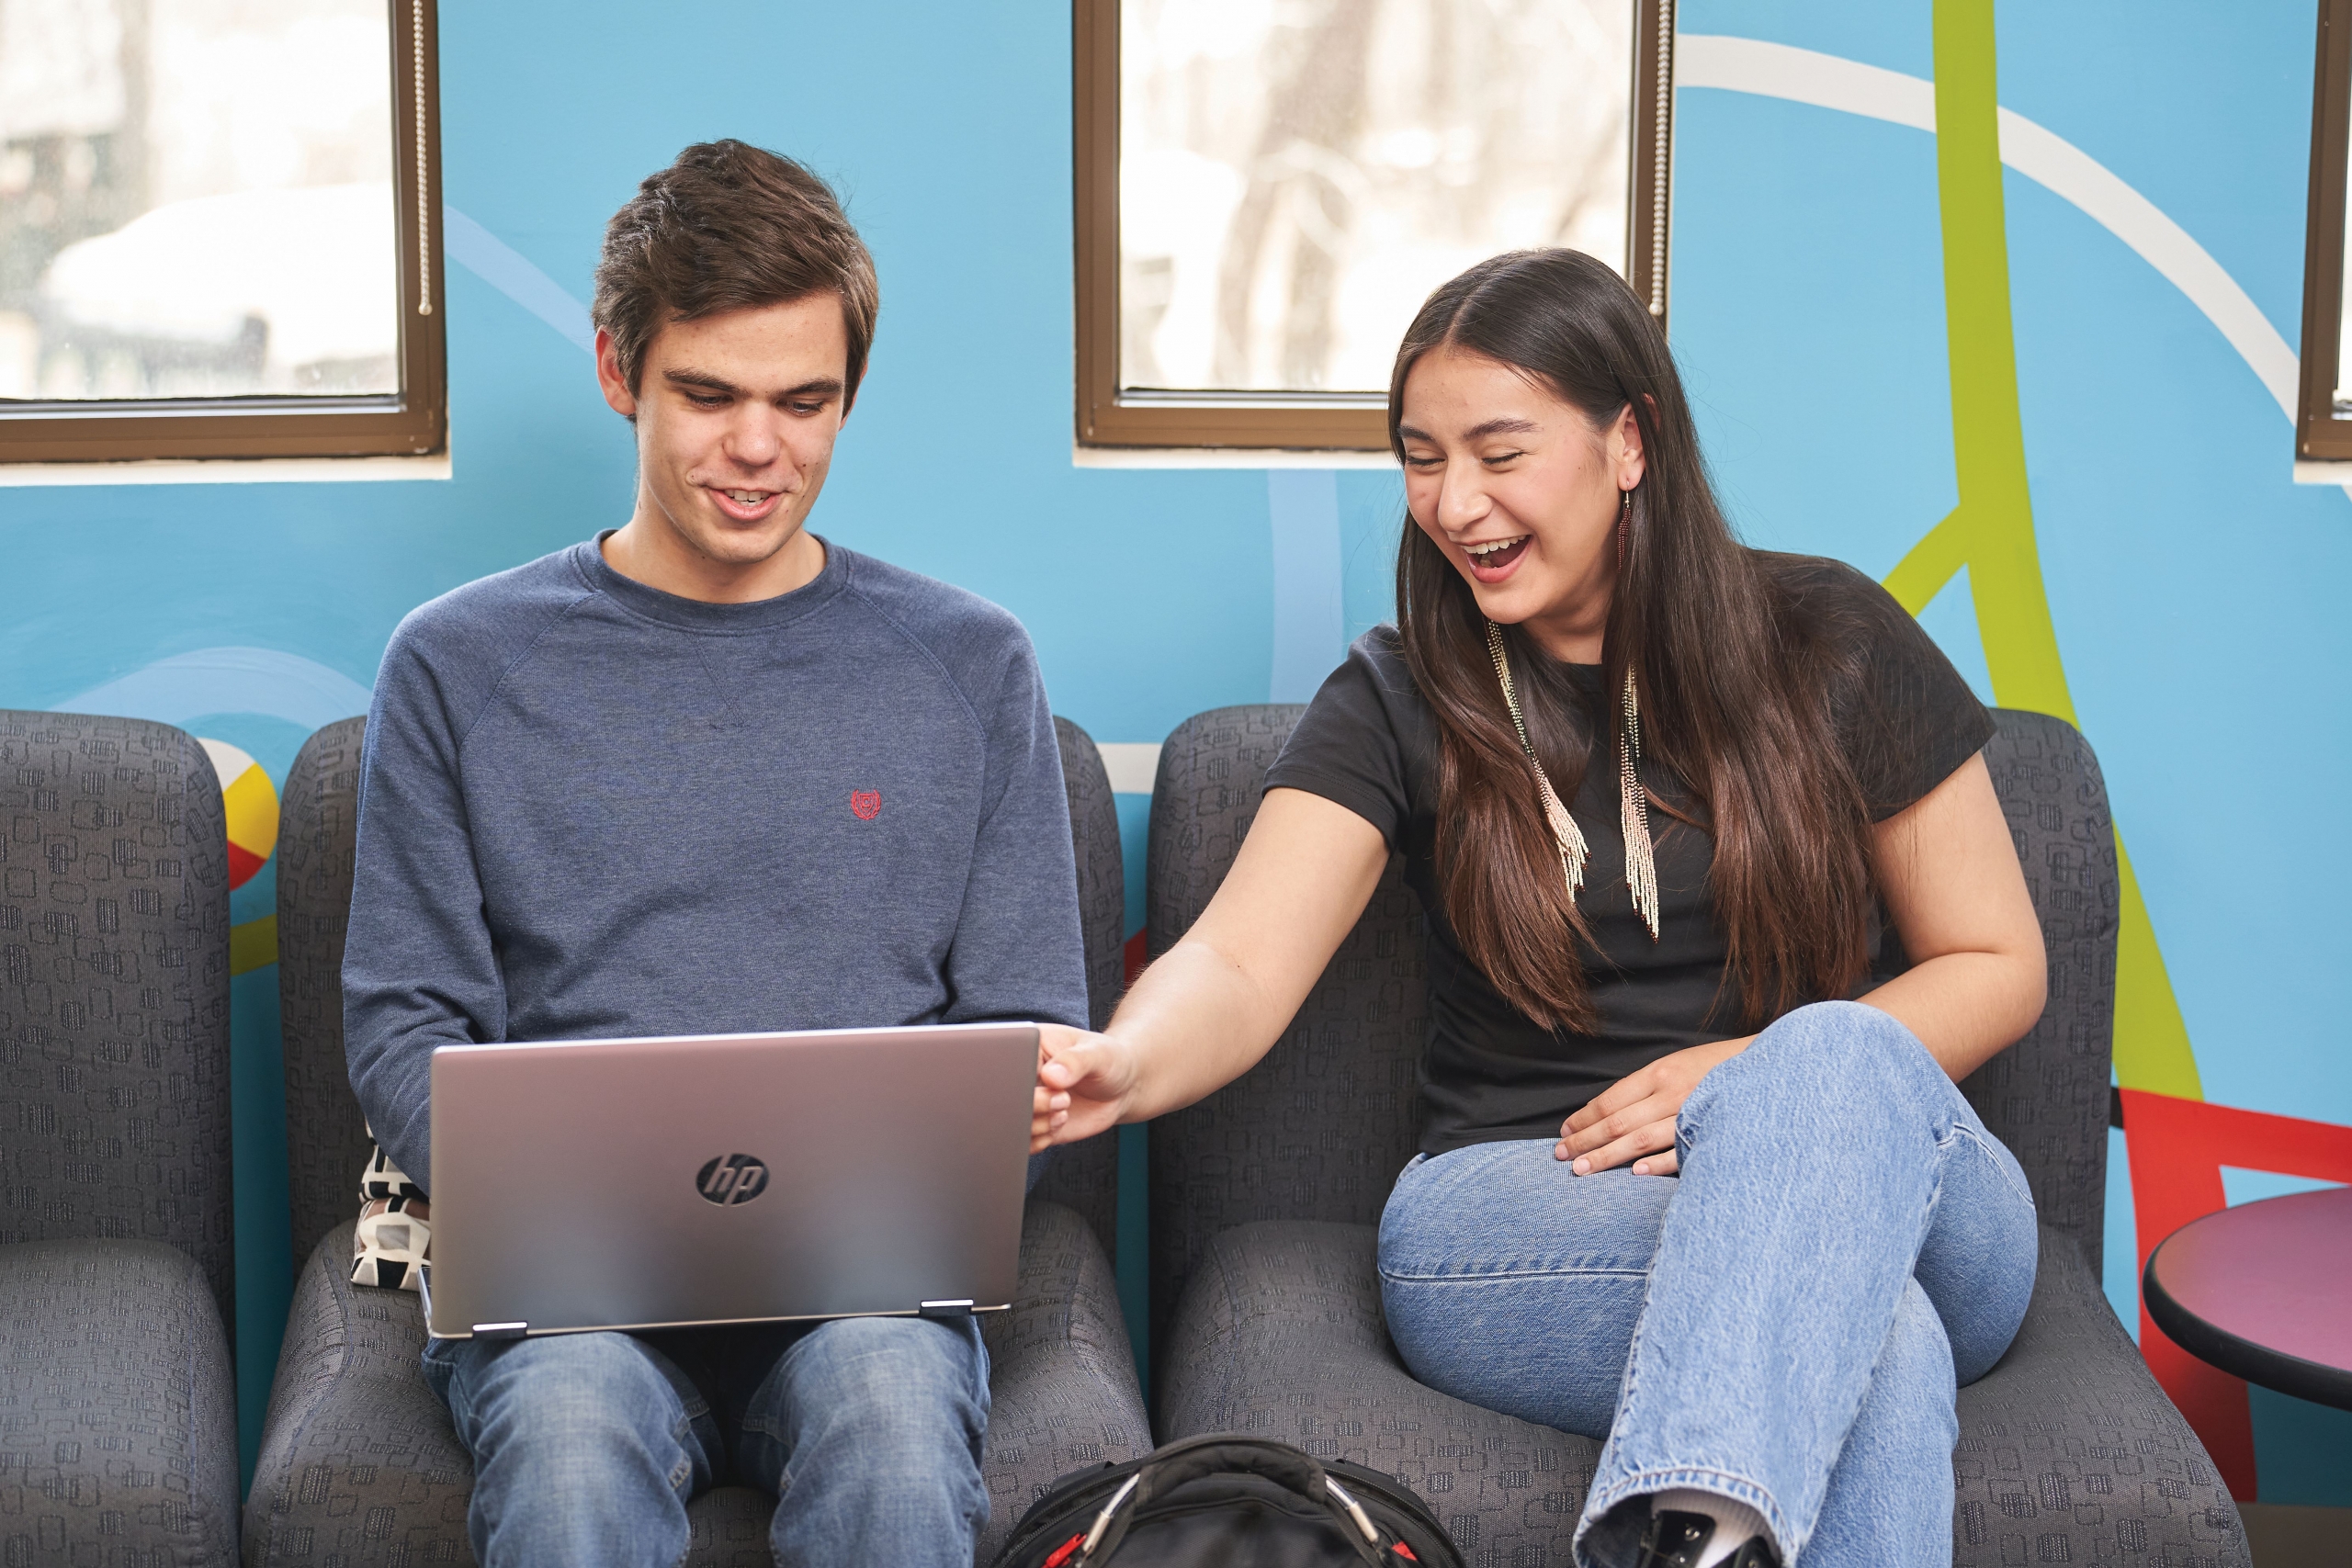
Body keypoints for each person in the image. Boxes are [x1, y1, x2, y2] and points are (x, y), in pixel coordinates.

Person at [1030, 249, 2045, 1568]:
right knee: (1876, 1338)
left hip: (1895, 1183)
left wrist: (1750, 1082)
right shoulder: (1401, 697)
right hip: (1527, 1203)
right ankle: (1707, 1530)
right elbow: (1234, 959)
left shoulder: (1832, 638)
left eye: (1500, 453)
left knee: (1839, 1051)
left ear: (1630, 442)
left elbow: (1997, 957)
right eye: (1421, 459)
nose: (1456, 504)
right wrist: (1126, 1057)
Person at [342, 140, 1089, 1568]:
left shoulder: (972, 664)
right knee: (568, 1435)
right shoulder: (452, 663)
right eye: (710, 396)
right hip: (565, 1307)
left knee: (889, 1411)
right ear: (618, 370)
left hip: (873, 1300)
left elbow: (1026, 1025)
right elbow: (403, 1018)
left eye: (804, 403)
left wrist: (968, 1155)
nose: (760, 449)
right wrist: (550, 1209)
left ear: (848, 396)